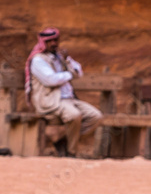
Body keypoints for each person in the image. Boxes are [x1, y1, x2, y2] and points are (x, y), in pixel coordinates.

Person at [24, 27, 102, 157]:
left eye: (56, 40)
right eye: (50, 41)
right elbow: (51, 80)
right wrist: (70, 74)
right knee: (74, 115)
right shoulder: (38, 60)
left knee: (96, 117)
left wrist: (67, 61)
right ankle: (71, 153)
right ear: (44, 42)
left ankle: (62, 140)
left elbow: (79, 71)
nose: (54, 43)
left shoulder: (60, 57)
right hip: (50, 100)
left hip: (69, 100)